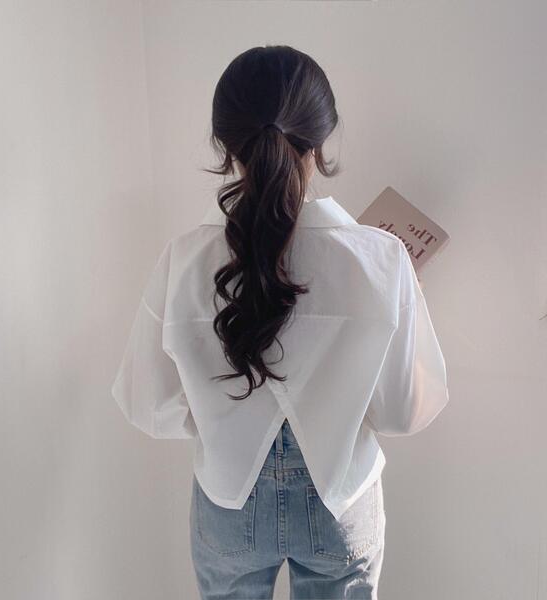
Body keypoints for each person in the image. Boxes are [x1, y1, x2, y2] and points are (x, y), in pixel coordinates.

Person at [111, 44, 449, 600]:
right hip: (340, 505)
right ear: (321, 140)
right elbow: (405, 411)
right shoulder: (383, 260)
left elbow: (146, 404)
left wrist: (221, 417)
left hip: (228, 505)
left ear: (226, 146)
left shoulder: (183, 260)